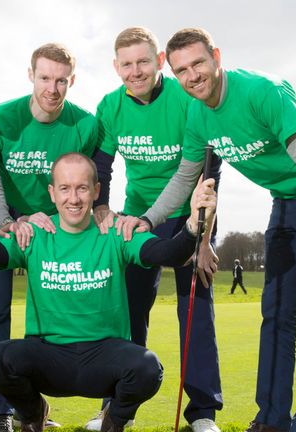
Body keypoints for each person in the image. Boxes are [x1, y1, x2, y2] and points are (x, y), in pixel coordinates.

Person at [150, 28, 296, 432]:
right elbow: (185, 177)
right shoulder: (196, 114)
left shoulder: (263, 92)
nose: (192, 76)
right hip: (286, 198)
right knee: (276, 309)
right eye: (181, 71)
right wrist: (148, 220)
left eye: (198, 63)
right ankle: (271, 419)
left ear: (216, 56)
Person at [0, 148, 217, 432]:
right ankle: (33, 413)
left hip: (104, 359)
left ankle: (114, 420)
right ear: (52, 192)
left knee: (147, 368)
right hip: (47, 356)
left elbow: (168, 253)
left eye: (82, 188)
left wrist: (193, 224)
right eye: (65, 188)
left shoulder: (116, 230)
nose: (73, 198)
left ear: (96, 191)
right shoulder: (33, 233)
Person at [90, 27, 223, 432]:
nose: (136, 71)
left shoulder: (187, 98)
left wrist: (202, 238)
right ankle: (116, 410)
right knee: (126, 315)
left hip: (190, 220)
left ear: (160, 60)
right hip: (138, 221)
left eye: (143, 61)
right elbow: (101, 167)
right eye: (126, 64)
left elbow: (210, 171)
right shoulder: (110, 107)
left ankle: (202, 414)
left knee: (194, 309)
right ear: (116, 67)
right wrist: (101, 209)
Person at [0, 42, 99, 432]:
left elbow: (82, 184)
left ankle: (33, 408)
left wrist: (50, 218)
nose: (52, 88)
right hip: (1, 219)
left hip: (51, 228)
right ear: (31, 75)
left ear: (72, 81)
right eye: (45, 77)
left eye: (62, 80)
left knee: (50, 316)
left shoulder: (85, 124)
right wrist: (11, 218)